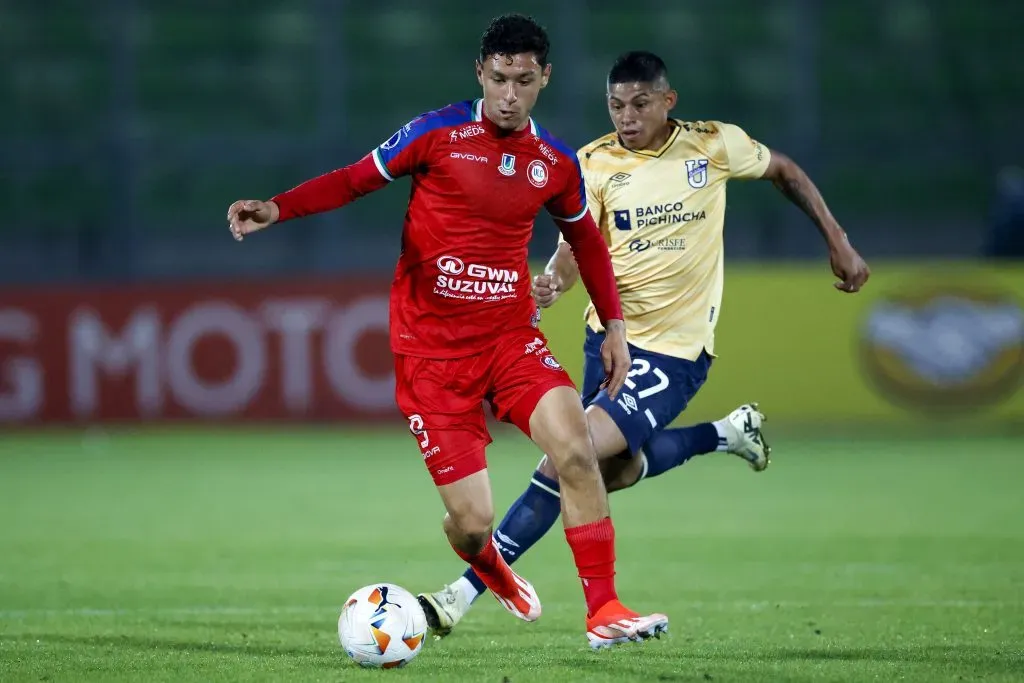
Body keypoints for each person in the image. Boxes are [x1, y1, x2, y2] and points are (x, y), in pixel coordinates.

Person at [225, 19, 668, 649]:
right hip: (431, 356)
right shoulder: (436, 134)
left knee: (575, 449)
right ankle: (488, 565)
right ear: (479, 72)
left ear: (545, 78)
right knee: (472, 521)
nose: (509, 94)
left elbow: (586, 241)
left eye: (522, 81)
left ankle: (604, 610)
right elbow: (354, 180)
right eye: (497, 79)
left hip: (511, 340)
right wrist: (277, 206)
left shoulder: (556, 164)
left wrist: (616, 324)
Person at [418, 50, 871, 636]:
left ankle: (464, 594)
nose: (626, 116)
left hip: (675, 351)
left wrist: (837, 239)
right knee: (612, 473)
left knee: (567, 456)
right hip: (608, 343)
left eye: (638, 104)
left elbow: (784, 169)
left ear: (667, 101)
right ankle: (724, 433)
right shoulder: (594, 162)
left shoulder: (712, 146)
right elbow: (580, 239)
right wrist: (557, 276)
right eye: (615, 105)